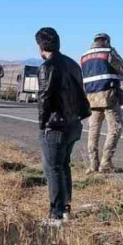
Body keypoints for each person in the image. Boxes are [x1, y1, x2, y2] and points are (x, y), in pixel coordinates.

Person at [35, 27, 91, 225]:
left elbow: (44, 98)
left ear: (41, 46)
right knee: (63, 165)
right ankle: (66, 208)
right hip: (73, 123)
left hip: (56, 126)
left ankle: (56, 213)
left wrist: (42, 125)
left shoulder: (47, 67)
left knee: (53, 168)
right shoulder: (72, 64)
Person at [80, 33, 123, 173]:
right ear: (106, 41)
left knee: (93, 130)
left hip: (91, 97)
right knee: (116, 127)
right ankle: (106, 163)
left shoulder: (84, 56)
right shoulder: (108, 52)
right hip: (108, 95)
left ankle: (93, 164)